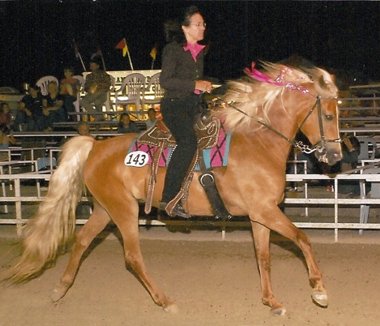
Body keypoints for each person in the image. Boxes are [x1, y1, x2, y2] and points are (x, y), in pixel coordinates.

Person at [159, 5, 213, 217]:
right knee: (188, 141)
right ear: (185, 28)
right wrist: (194, 84)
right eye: (198, 24)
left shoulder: (199, 53)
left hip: (193, 106)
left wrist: (207, 86)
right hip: (174, 106)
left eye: (203, 24)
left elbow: (196, 84)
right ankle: (169, 198)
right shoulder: (172, 49)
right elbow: (166, 81)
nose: (202, 28)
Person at [81, 55, 111, 121]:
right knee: (87, 102)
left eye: (93, 65)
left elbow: (108, 84)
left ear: (97, 66)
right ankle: (98, 117)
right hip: (92, 94)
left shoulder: (103, 74)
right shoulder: (89, 76)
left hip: (101, 93)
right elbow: (86, 87)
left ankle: (98, 119)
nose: (91, 67)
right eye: (91, 65)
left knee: (97, 101)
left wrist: (97, 86)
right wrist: (89, 88)